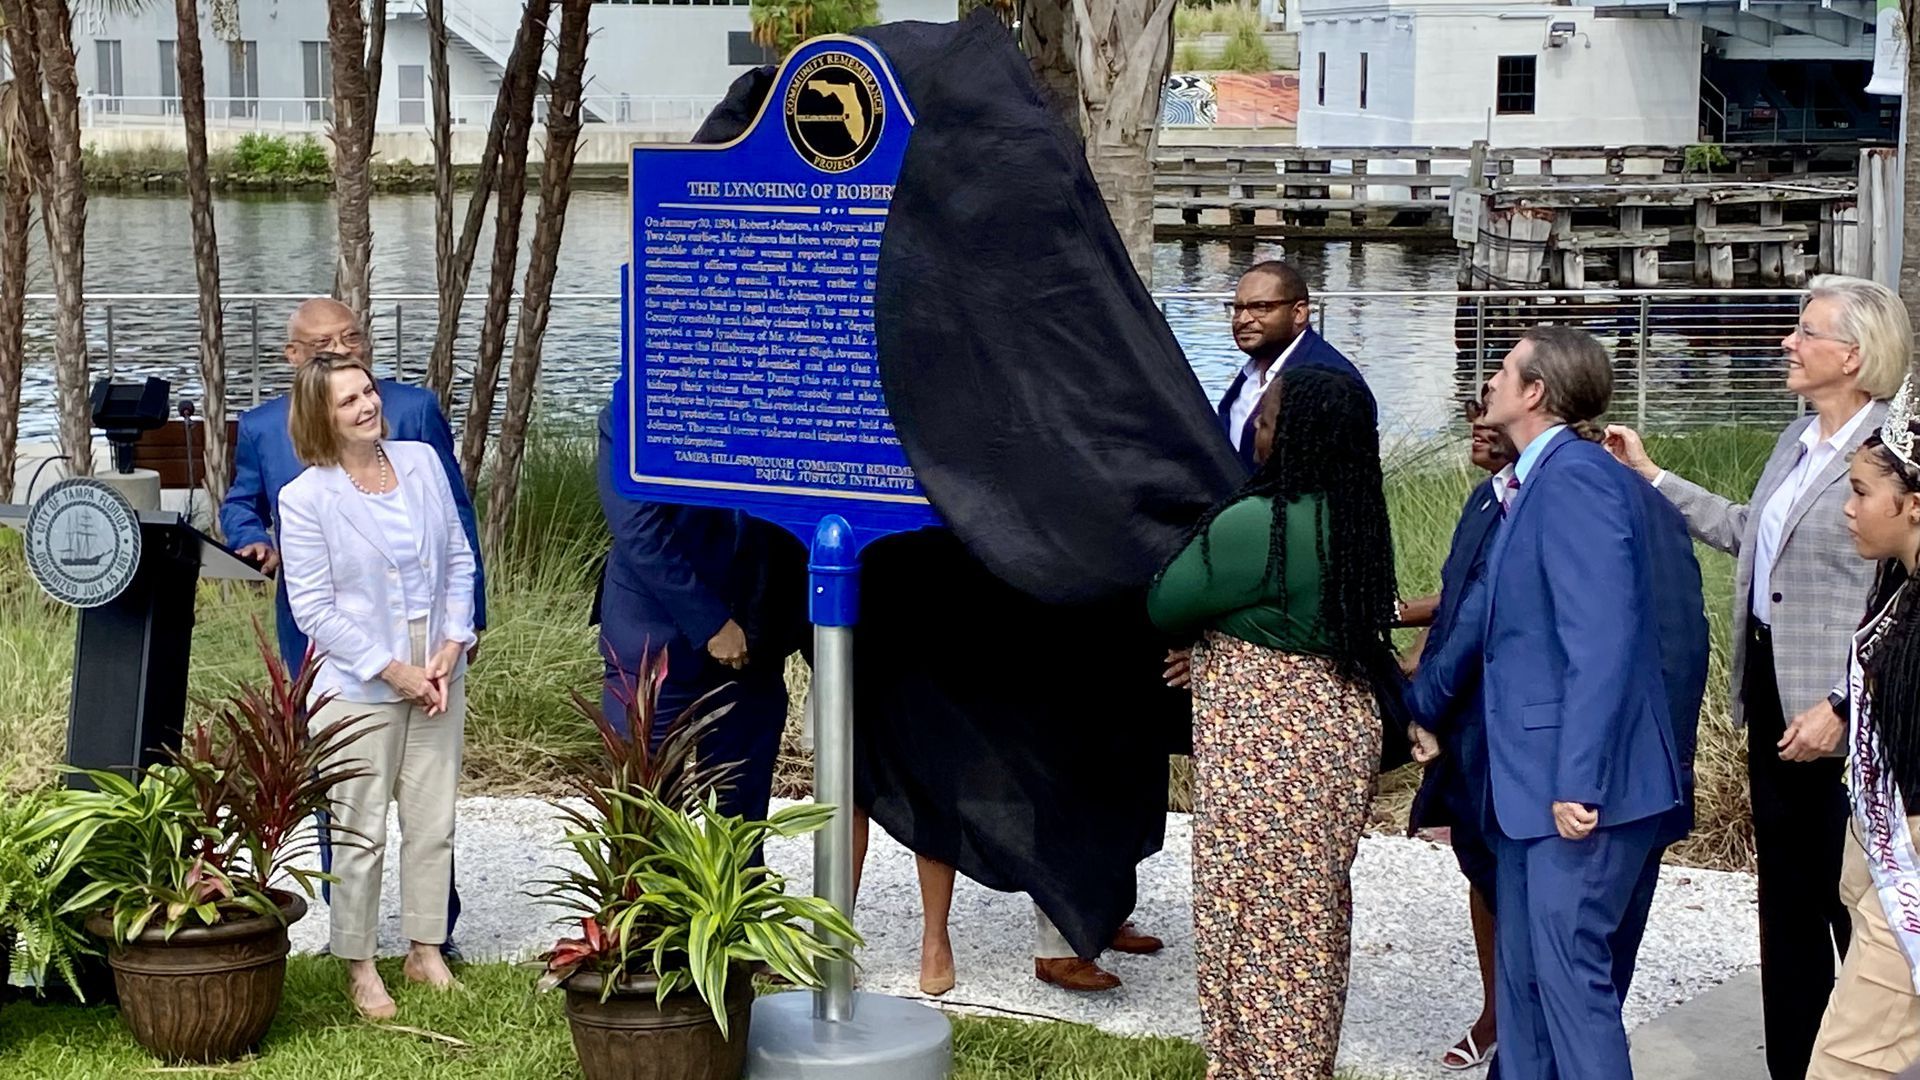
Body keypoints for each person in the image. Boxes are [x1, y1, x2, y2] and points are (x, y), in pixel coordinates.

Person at [1607, 273, 1911, 1080]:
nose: (1788, 341)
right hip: (1773, 691)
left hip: (1846, 707)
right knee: (1786, 899)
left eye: (1805, 332)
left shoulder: (1889, 457)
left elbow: (1903, 593)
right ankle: (1797, 1064)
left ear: (1853, 356)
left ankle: (1874, 1056)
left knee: (1861, 899)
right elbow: (1749, 535)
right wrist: (1654, 477)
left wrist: (1847, 704)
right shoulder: (1797, 439)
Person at [1439, 325, 1691, 1080]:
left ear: (1534, 394)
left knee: (1570, 987)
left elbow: (1602, 640)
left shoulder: (1576, 480)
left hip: (1574, 791)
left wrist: (1578, 778)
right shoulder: (1535, 480)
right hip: (1528, 783)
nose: (1489, 382)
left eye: (1504, 370)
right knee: (1524, 988)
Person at [1149, 365, 1403, 1080]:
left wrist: (1216, 633)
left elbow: (1166, 603)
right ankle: (1301, 1063)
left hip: (1268, 744)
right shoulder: (1353, 516)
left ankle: (1252, 1065)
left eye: (1267, 416)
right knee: (1309, 920)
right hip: (1335, 734)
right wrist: (1236, 630)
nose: (1256, 423)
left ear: (1292, 434)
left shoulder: (1258, 521)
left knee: (1248, 920)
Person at [219, 296, 482, 957]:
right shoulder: (270, 441)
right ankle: (356, 947)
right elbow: (242, 508)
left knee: (431, 812)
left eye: (353, 344)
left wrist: (460, 632)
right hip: (336, 651)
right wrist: (253, 541)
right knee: (350, 807)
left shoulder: (415, 429)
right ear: (296, 362)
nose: (362, 391)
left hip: (434, 645)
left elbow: (456, 534)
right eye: (326, 348)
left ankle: (432, 942)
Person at [277, 353, 476, 1020]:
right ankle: (360, 964)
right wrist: (398, 672)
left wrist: (451, 645)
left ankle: (426, 949)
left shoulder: (419, 459)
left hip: (439, 662)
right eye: (347, 401)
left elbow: (458, 557)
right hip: (360, 680)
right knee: (359, 831)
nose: (367, 406)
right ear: (320, 418)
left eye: (368, 391)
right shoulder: (304, 498)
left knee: (432, 822)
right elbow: (314, 610)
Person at [590, 403, 803, 836]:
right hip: (655, 640)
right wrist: (711, 624)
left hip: (755, 640)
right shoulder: (632, 409)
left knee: (740, 820)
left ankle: (736, 905)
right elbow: (640, 531)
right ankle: (651, 908)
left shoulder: (777, 401)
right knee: (643, 818)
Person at [1401, 388, 1515, 1072]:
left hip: (1500, 711)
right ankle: (1494, 1012)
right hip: (1461, 707)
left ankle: (1514, 1018)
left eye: (1489, 411)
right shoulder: (1483, 499)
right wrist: (1403, 628)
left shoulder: (1536, 500)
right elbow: (1459, 595)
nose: (1475, 423)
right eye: (1471, 409)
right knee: (1477, 859)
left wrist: (1428, 691)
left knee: (1507, 864)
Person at [1813, 389, 1920, 1077]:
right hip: (1883, 839)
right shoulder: (1897, 581)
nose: (1847, 508)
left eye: (1860, 492)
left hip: (1911, 859)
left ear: (1912, 502)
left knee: (1848, 1060)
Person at [1216, 260, 1374, 466]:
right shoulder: (1253, 372)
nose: (1243, 318)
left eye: (1261, 307)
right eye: (1238, 308)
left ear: (1299, 313)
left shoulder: (1328, 381)